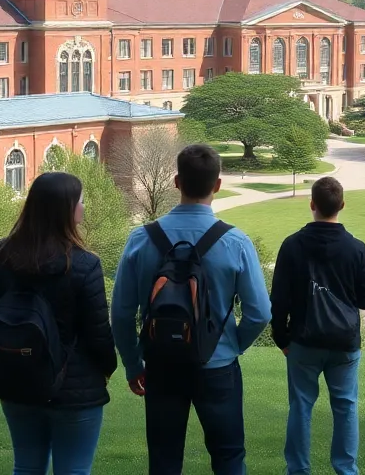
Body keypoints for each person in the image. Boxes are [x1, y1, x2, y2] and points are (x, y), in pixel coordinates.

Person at [111, 144, 272, 475]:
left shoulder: (141, 239)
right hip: (218, 366)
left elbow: (121, 314)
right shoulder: (236, 242)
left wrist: (131, 363)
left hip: (161, 363)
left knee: (165, 459)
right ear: (217, 185)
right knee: (228, 457)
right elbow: (260, 313)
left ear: (176, 182)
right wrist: (230, 345)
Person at [0, 172, 118, 475]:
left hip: (16, 375)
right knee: (73, 471)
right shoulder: (84, 263)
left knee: (26, 468)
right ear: (66, 209)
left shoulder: (1, 254)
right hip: (74, 387)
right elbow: (98, 333)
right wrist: (107, 368)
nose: (84, 207)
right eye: (80, 201)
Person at [270, 177, 365, 475]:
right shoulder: (356, 248)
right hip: (344, 340)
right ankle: (346, 470)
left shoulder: (292, 245)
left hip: (303, 340)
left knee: (301, 407)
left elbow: (278, 298)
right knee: (345, 407)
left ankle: (298, 471)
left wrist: (281, 338)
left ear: (312, 205)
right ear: (341, 205)